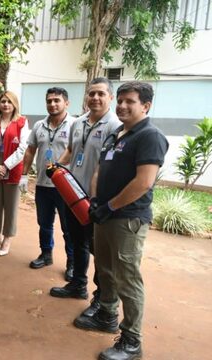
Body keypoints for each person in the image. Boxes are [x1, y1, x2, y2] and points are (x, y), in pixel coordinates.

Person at [74, 82, 168, 360]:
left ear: (146, 106)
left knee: (128, 278)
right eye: (122, 101)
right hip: (104, 214)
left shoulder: (150, 136)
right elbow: (100, 170)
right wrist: (94, 200)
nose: (123, 106)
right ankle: (106, 314)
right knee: (105, 270)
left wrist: (111, 206)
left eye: (131, 101)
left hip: (127, 219)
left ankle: (132, 341)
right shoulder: (117, 133)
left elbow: (144, 182)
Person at [50, 78, 122, 315]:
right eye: (91, 93)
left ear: (110, 97)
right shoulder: (78, 122)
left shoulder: (115, 125)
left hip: (95, 200)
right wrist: (55, 169)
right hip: (73, 195)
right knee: (77, 241)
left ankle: (101, 298)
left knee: (99, 250)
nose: (95, 98)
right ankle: (78, 285)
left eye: (101, 93)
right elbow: (72, 151)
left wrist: (98, 198)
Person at [21, 87, 74, 275]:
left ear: (66, 103)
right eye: (49, 101)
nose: (52, 104)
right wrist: (24, 175)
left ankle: (72, 263)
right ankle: (46, 254)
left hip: (66, 187)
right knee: (44, 224)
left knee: (69, 228)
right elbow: (30, 150)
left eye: (56, 100)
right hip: (43, 184)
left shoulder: (74, 125)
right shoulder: (39, 126)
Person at [0, 91, 28, 256]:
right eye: (3, 101)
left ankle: (7, 238)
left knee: (10, 206)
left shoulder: (22, 122)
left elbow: (22, 148)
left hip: (12, 170)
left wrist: (6, 166)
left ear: (14, 104)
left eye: (9, 102)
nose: (6, 105)